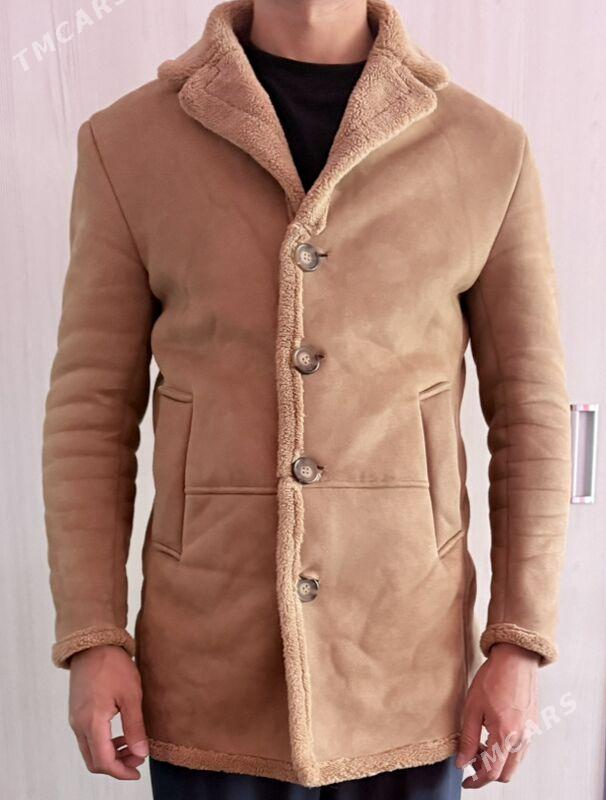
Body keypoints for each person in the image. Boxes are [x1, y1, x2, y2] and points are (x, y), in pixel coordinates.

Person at [41, 0, 572, 797]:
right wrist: (93, 635)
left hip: (407, 677)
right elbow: (90, 409)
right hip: (208, 675)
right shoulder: (129, 145)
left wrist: (519, 642)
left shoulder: (486, 151)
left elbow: (531, 412)